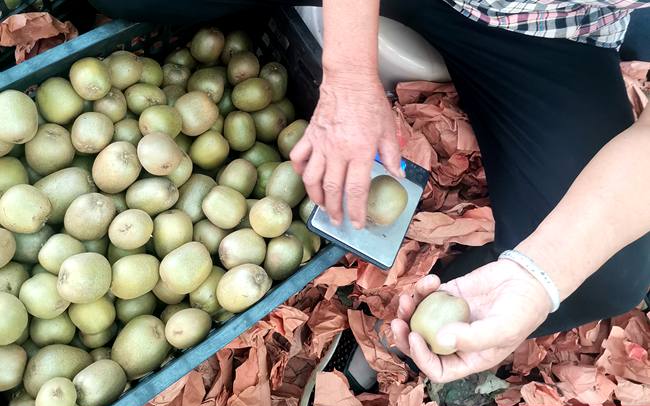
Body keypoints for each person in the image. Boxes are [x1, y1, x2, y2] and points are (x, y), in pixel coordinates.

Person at [90, 0, 650, 384]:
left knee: (609, 275)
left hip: (543, 27)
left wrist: (538, 274)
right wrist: (349, 77)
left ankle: (377, 340)